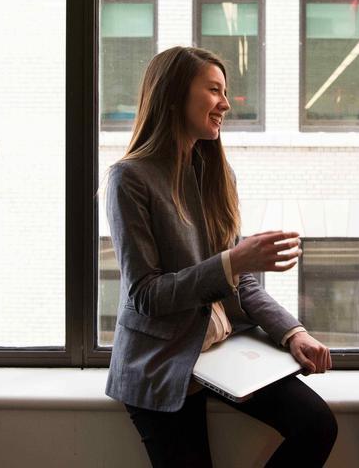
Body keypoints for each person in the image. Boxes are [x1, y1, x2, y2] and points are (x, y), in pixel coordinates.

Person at [105, 46, 337, 467]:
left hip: (220, 351)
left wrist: (293, 333)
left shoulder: (216, 173)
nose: (226, 103)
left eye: (225, 92)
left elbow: (240, 281)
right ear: (174, 94)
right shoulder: (130, 178)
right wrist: (234, 262)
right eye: (214, 90)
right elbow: (146, 295)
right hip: (162, 362)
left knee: (317, 424)